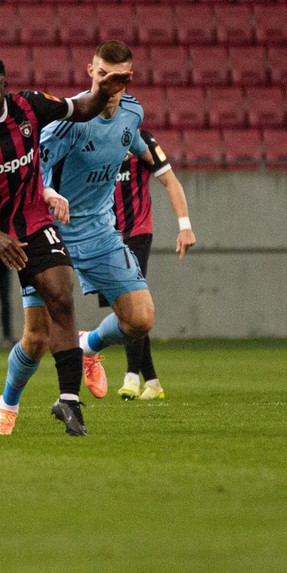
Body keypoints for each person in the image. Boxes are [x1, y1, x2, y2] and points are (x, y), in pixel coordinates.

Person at [0, 41, 194, 436]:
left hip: (100, 232)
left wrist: (180, 211)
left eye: (120, 79)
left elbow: (134, 146)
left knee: (141, 318)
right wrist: (49, 192)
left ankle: (89, 346)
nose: (111, 85)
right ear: (90, 73)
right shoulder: (71, 120)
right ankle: (7, 402)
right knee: (37, 338)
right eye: (103, 76)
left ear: (129, 79)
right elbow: (34, 165)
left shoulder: (133, 114)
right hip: (51, 233)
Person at [0, 51, 129, 437]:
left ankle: (70, 400)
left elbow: (82, 107)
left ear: (5, 88)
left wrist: (101, 89)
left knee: (61, 297)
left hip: (34, 223)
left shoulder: (30, 106)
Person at [104, 127, 196, 400]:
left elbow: (171, 181)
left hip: (137, 233)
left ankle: (131, 376)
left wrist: (185, 226)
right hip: (105, 238)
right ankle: (152, 381)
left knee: (131, 303)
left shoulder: (139, 139)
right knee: (127, 313)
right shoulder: (92, 139)